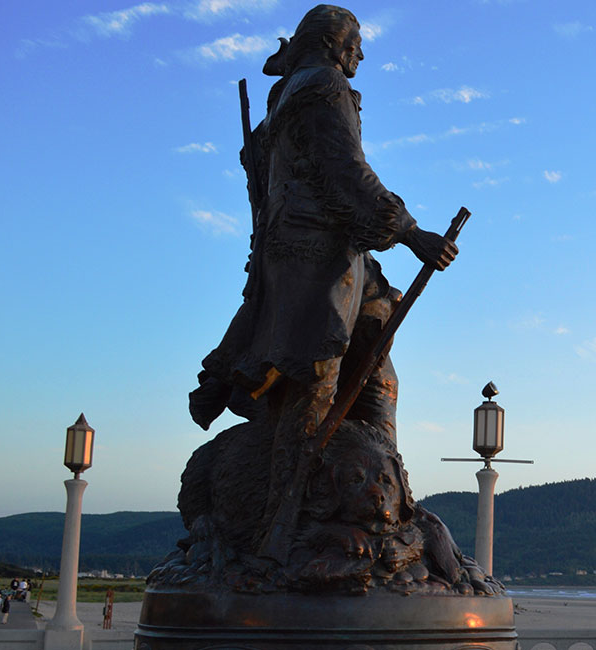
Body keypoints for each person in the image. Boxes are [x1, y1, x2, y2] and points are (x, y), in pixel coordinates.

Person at [186, 3, 458, 557]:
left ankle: (386, 504)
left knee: (374, 375)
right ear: (335, 43)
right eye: (356, 42)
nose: (361, 54)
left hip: (326, 261)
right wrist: (412, 233)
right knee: (313, 389)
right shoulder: (323, 87)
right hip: (317, 265)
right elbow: (346, 174)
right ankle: (277, 537)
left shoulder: (281, 100)